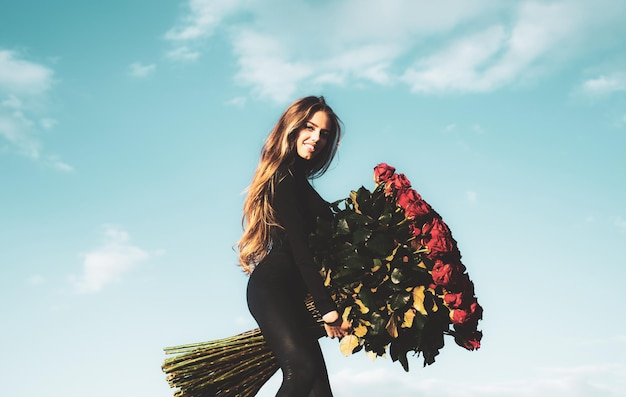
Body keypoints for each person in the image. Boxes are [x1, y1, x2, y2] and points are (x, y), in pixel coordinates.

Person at [239, 96, 352, 396]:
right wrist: (328, 308)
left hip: (291, 296)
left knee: (319, 391)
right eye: (310, 128)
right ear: (293, 127)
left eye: (324, 133)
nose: (316, 138)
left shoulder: (299, 181)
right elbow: (301, 250)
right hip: (272, 291)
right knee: (301, 370)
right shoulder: (285, 177)